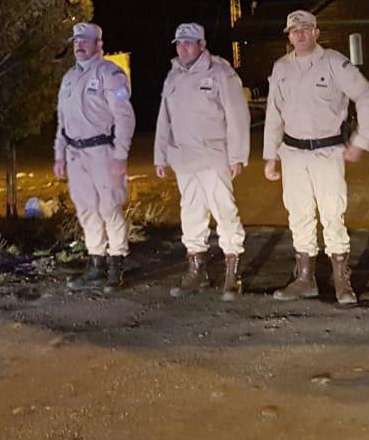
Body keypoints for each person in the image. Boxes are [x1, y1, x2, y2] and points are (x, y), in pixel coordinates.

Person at [263, 10, 369, 305]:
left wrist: (362, 140)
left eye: (305, 30)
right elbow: (274, 114)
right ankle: (304, 279)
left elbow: (365, 95)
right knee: (299, 215)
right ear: (288, 36)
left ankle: (341, 280)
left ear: (316, 32)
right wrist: (270, 156)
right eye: (293, 31)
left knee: (332, 213)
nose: (299, 35)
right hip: (293, 153)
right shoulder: (281, 68)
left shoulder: (335, 63)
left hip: (327, 152)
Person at [154, 22, 251, 301]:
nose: (182, 47)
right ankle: (196, 271)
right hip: (184, 159)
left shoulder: (220, 73)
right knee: (191, 213)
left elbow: (237, 115)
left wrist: (238, 156)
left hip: (213, 156)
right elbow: (165, 120)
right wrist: (160, 156)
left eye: (188, 43)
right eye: (179, 43)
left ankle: (233, 275)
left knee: (224, 211)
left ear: (202, 45)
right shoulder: (173, 77)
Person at [54, 22, 137, 293]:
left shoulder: (109, 74)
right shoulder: (68, 78)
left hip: (103, 152)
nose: (79, 45)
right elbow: (62, 122)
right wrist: (59, 155)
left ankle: (117, 264)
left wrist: (121, 154)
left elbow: (124, 116)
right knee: (87, 210)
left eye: (85, 40)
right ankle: (96, 263)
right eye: (76, 40)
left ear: (98, 45)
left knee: (109, 207)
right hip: (76, 155)